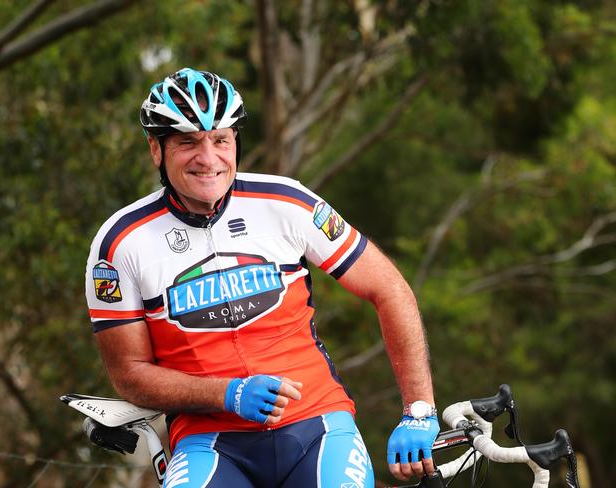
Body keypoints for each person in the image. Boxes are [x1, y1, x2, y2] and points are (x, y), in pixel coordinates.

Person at [85, 67, 439, 487]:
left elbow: (389, 288)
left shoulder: (285, 202)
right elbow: (130, 374)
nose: (208, 158)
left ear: (236, 142)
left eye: (220, 139)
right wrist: (226, 394)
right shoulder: (120, 243)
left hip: (316, 426)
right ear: (156, 150)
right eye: (187, 142)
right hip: (208, 441)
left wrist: (418, 410)